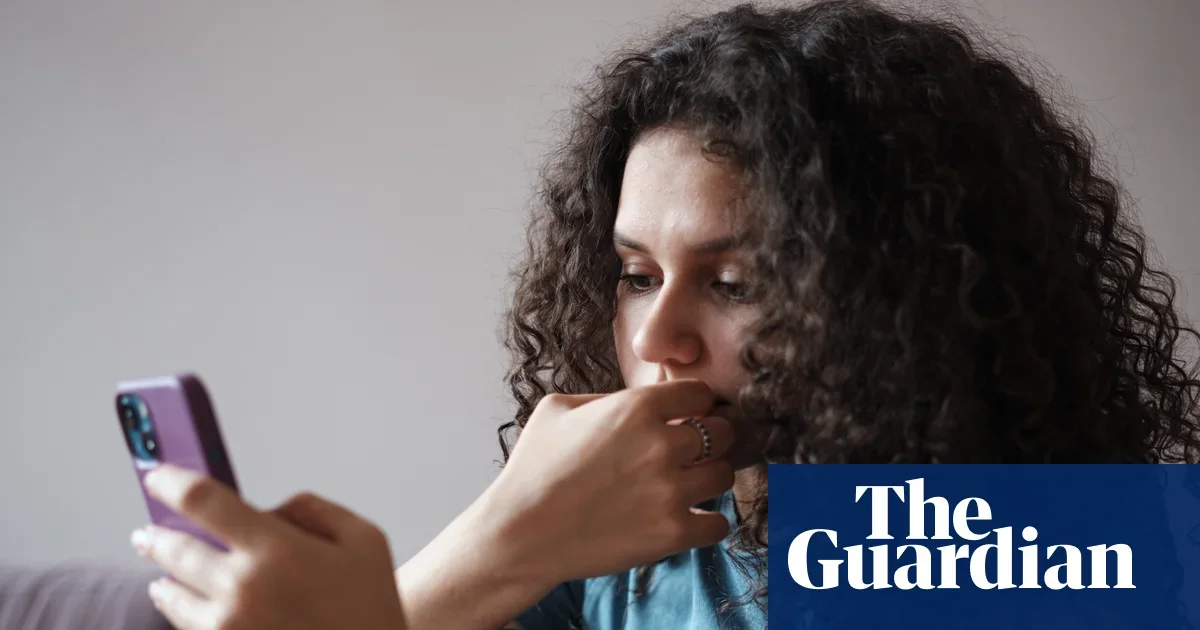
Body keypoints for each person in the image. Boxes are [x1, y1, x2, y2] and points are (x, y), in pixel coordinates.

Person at [125, 1, 1200, 629]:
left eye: (733, 284)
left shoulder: (1079, 555)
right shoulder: (636, 538)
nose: (654, 340)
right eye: (638, 274)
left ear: (907, 304)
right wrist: (503, 540)